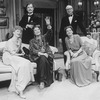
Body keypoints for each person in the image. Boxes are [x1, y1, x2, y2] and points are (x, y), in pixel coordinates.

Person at [2, 26, 34, 99]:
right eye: (17, 31)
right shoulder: (10, 41)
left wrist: (22, 52)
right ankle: (20, 90)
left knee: (27, 63)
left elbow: (19, 50)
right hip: (8, 56)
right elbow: (12, 53)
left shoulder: (19, 40)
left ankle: (24, 83)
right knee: (24, 63)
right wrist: (21, 55)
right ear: (13, 32)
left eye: (20, 31)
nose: (19, 33)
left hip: (15, 56)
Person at [59, 5, 87, 71]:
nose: (69, 10)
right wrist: (60, 37)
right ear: (66, 11)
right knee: (66, 52)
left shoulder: (77, 17)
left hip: (74, 36)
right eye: (67, 9)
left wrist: (86, 34)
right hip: (65, 37)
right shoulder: (64, 18)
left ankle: (75, 67)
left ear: (72, 9)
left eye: (70, 9)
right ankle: (67, 67)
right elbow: (61, 28)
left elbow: (81, 26)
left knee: (75, 51)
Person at [29, 17, 54, 89]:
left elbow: (50, 33)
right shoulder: (31, 41)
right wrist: (41, 54)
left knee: (44, 59)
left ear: (40, 30)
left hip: (47, 55)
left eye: (38, 29)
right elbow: (32, 50)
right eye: (35, 30)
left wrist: (48, 24)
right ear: (33, 32)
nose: (37, 31)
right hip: (37, 57)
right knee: (43, 58)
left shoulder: (44, 37)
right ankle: (42, 81)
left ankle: (42, 81)